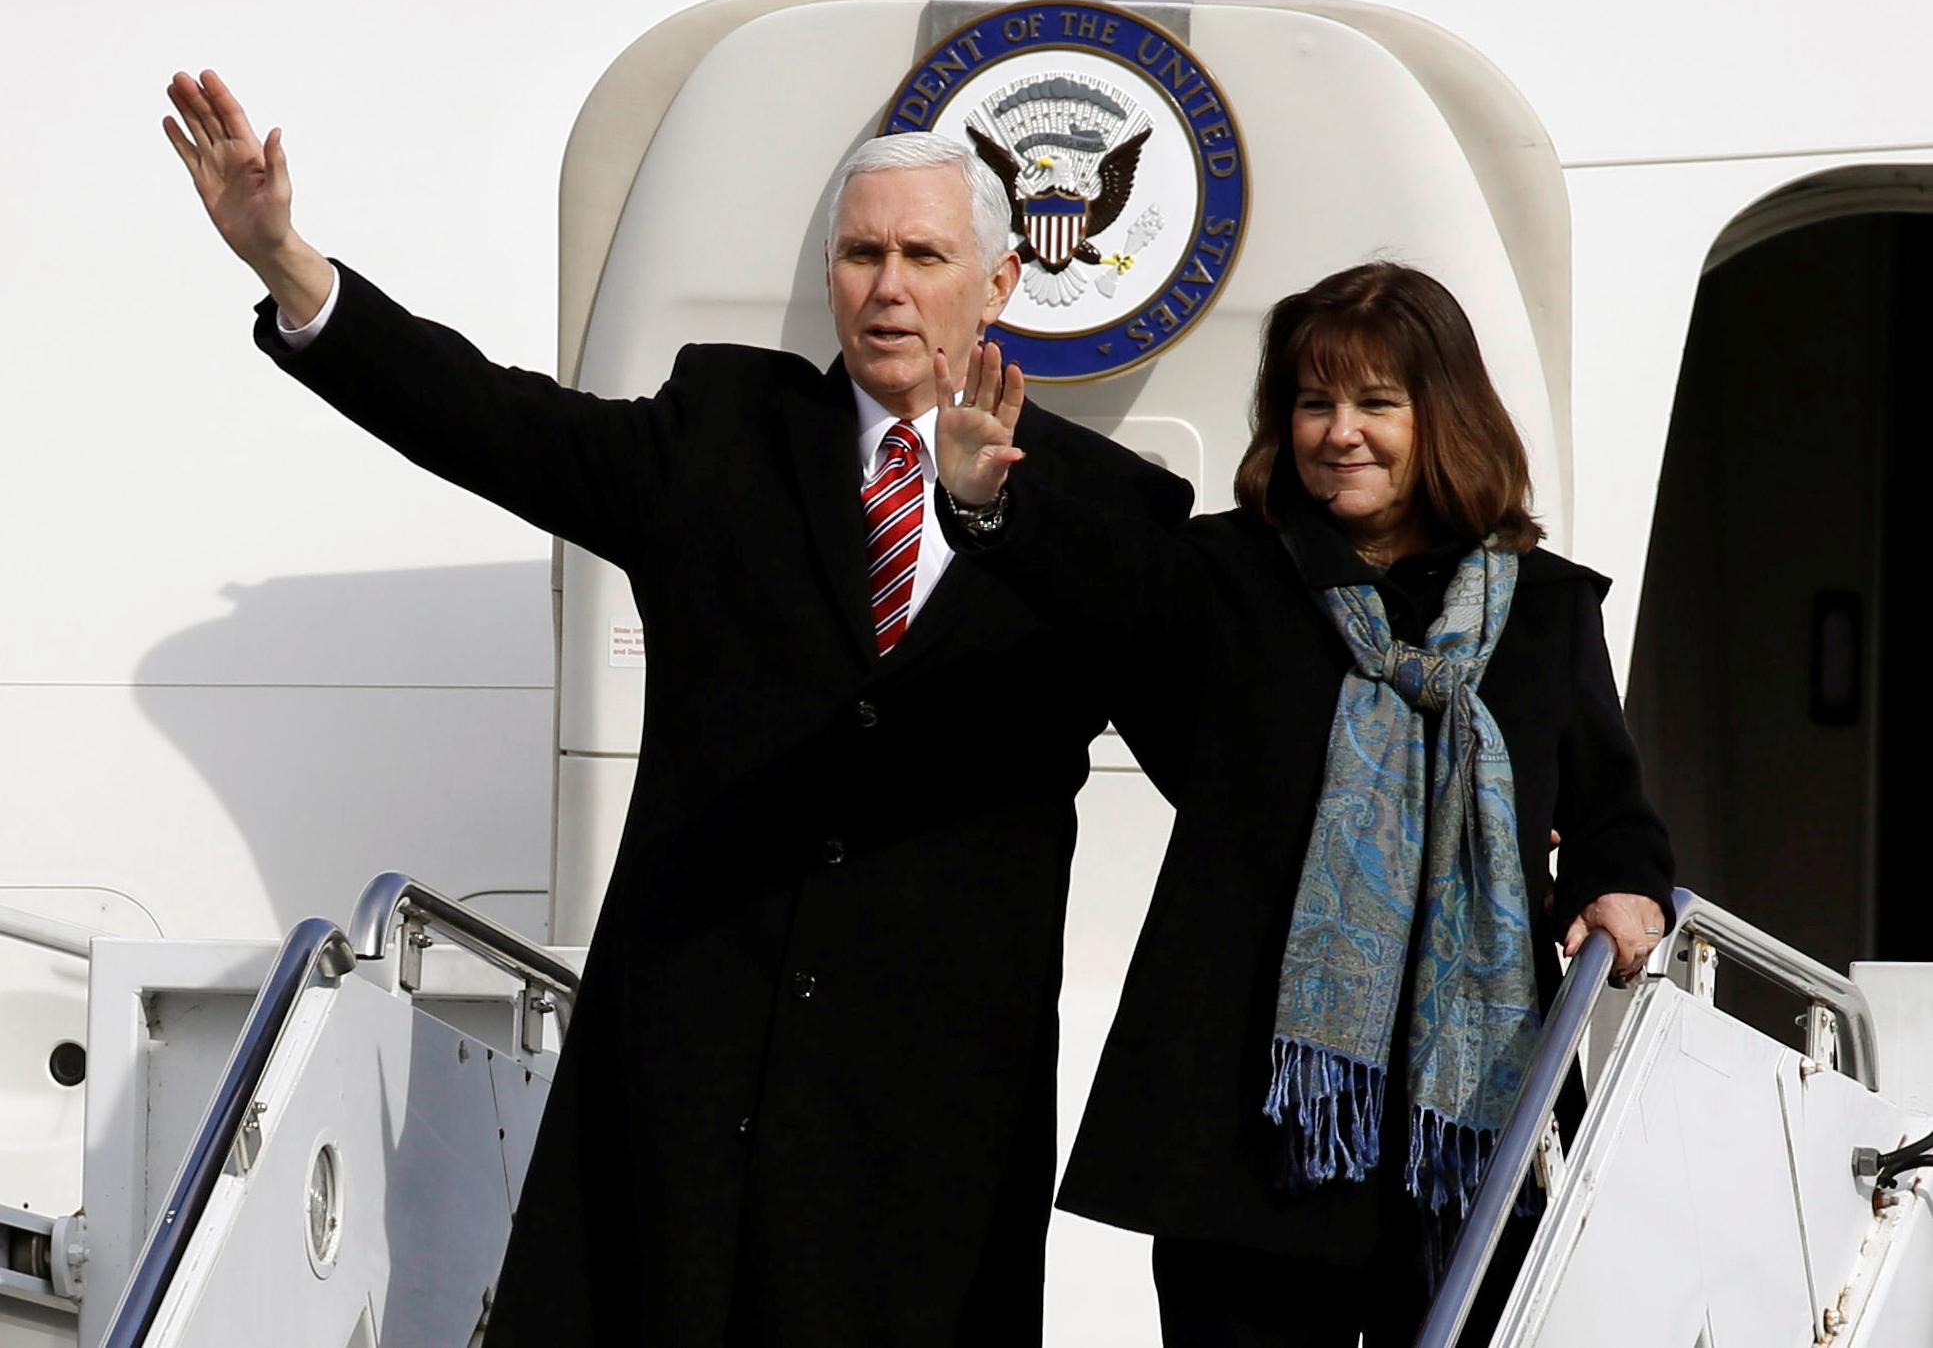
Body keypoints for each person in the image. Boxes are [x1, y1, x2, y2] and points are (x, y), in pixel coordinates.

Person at [162, 69, 1192, 1346]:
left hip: (922, 1127)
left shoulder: (1104, 505)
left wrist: (995, 517)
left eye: (923, 255)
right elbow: (495, 424)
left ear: (996, 285)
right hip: (685, 1086)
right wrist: (291, 267)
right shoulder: (724, 433)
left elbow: (1190, 704)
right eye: (862, 253)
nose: (887, 285)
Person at [934, 262, 1675, 1346]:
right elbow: (1095, 576)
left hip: (1462, 1136)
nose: (1340, 432)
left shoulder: (1546, 610)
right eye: (1313, 402)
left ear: (1444, 416)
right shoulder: (1230, 577)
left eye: (1377, 403)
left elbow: (1613, 809)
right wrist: (987, 502)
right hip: (1257, 1135)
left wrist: (1624, 890)